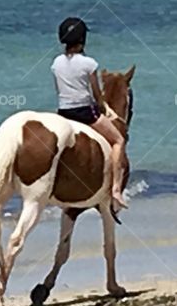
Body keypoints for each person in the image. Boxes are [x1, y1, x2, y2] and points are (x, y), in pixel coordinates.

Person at [51, 17, 129, 211]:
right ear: (82, 39)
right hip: (85, 113)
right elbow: (96, 94)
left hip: (63, 112)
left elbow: (59, 90)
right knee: (118, 140)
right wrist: (105, 109)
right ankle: (117, 190)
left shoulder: (56, 63)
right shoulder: (89, 63)